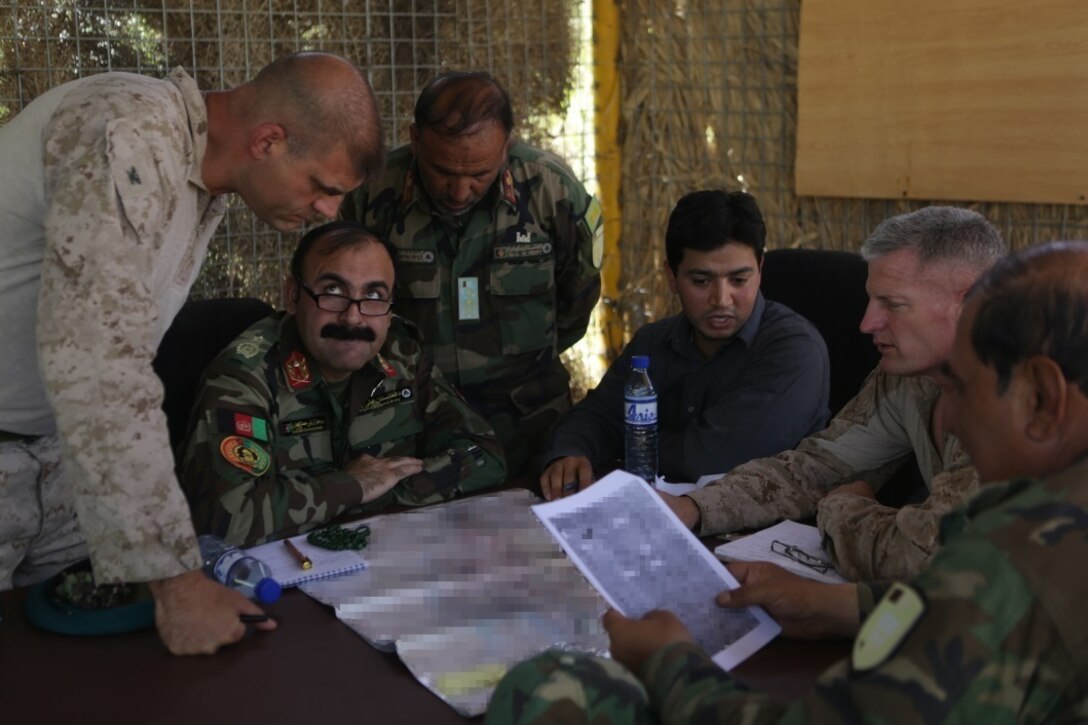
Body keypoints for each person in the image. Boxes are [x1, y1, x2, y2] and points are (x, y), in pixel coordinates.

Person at [487, 240, 1088, 723]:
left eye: (966, 387)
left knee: (555, 692)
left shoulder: (1024, 552)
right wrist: (842, 606)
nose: (952, 414)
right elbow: (819, 466)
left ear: (1042, 399)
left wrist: (670, 664)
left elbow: (957, 575)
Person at [0, 52, 384, 655]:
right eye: (322, 187)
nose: (329, 212)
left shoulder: (201, 177)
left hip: (56, 460)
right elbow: (101, 368)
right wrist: (178, 585)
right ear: (269, 142)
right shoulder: (129, 132)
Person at [662, 206, 1006, 580]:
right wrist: (695, 507)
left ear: (969, 303)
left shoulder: (1015, 404)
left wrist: (844, 508)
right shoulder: (912, 378)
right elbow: (819, 468)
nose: (867, 323)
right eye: (872, 300)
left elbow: (930, 556)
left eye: (893, 304)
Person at [340, 71, 602, 477]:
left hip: (529, 424)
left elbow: (578, 294)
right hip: (414, 428)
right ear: (415, 138)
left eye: (479, 174)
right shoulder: (374, 195)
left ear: (507, 144)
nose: (459, 191)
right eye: (442, 170)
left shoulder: (551, 190)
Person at [179, 222, 507, 547]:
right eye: (334, 291)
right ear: (293, 296)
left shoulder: (401, 354)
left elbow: (484, 454)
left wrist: (375, 491)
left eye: (374, 295)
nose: (353, 318)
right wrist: (351, 487)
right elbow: (226, 519)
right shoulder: (244, 376)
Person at [539, 190, 829, 499]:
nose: (721, 300)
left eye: (739, 280)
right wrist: (570, 452)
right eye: (701, 282)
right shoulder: (652, 342)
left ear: (760, 269)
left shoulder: (795, 351)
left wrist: (632, 445)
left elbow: (711, 459)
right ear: (671, 277)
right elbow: (598, 415)